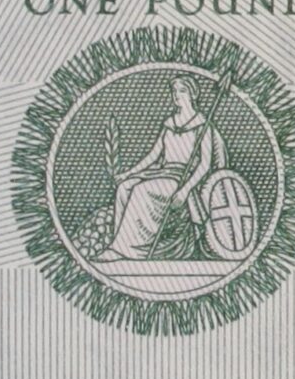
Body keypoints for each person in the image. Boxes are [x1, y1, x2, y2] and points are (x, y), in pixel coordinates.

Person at [93, 75, 226, 262]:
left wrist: (184, 191)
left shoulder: (202, 126)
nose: (176, 95)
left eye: (182, 91)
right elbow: (153, 156)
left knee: (142, 190)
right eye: (174, 91)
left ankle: (130, 251)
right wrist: (128, 174)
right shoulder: (169, 123)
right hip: (162, 172)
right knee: (125, 187)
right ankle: (119, 244)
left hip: (181, 177)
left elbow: (205, 165)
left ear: (193, 94)